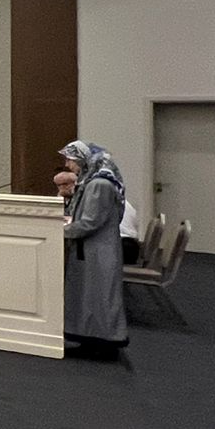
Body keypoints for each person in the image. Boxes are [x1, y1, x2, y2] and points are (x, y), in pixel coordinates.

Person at [60, 141, 128, 356]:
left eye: (70, 160)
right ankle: (89, 339)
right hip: (90, 250)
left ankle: (104, 343)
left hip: (99, 251)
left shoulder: (100, 185)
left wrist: (59, 232)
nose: (68, 165)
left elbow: (90, 222)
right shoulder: (91, 182)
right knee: (88, 297)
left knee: (99, 297)